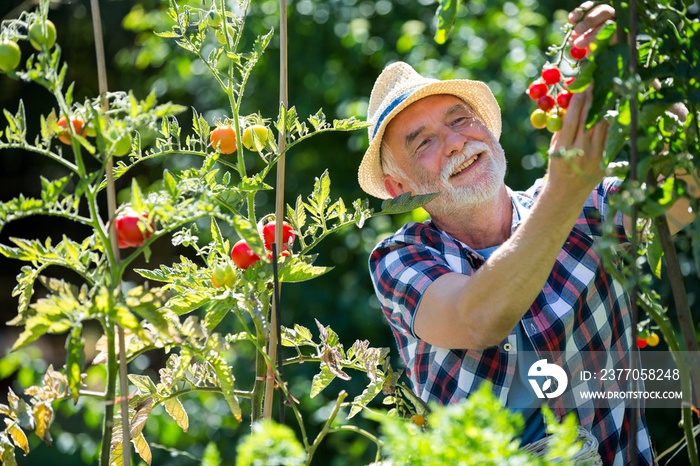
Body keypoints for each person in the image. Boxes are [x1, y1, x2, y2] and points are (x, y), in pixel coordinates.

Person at [358, 4, 695, 465]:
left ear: (489, 132)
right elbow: (480, 318)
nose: (455, 142)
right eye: (424, 142)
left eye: (460, 120)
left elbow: (688, 189)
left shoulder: (589, 203)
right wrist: (565, 192)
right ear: (401, 188)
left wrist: (638, 68)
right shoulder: (401, 258)